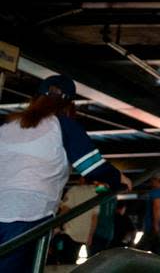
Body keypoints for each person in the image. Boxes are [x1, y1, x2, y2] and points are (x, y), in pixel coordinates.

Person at [0, 75, 129, 273]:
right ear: (68, 104)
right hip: (29, 212)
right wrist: (119, 179)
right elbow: (93, 167)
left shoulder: (7, 126)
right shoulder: (63, 125)